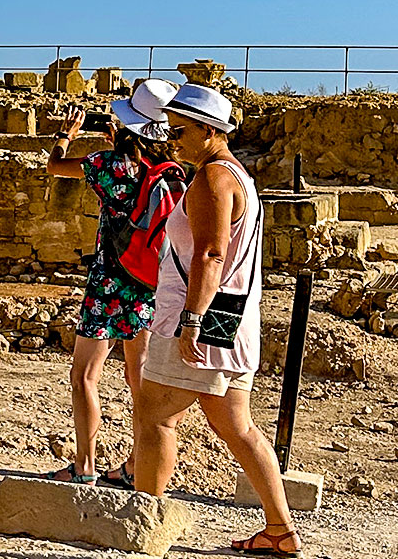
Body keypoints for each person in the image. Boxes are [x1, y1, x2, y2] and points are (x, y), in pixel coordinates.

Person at [129, 84, 302, 557]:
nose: (171, 137)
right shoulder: (237, 176)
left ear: (209, 130)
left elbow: (209, 252)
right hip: (232, 317)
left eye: (180, 129)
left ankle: (143, 525)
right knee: (237, 425)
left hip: (200, 314)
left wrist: (190, 321)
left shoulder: (211, 179)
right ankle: (279, 529)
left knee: (156, 416)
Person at [38, 78, 180, 486]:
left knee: (85, 374)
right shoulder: (171, 171)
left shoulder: (105, 165)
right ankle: (137, 464)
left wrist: (65, 136)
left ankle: (84, 465)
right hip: (150, 283)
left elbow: (55, 165)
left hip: (108, 280)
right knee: (140, 379)